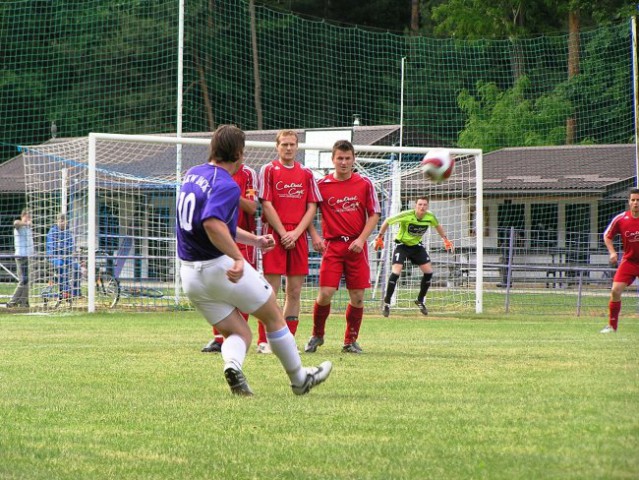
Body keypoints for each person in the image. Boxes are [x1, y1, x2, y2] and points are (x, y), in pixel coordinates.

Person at [176, 124, 332, 396]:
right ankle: (299, 379)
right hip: (217, 267)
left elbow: (217, 224)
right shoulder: (226, 183)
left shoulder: (193, 174)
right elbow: (213, 224)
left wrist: (256, 241)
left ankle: (232, 365)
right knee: (272, 312)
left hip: (190, 276)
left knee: (239, 333)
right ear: (238, 153)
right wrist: (237, 257)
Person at [305, 140, 381, 354]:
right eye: (340, 158)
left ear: (354, 159)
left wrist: (361, 239)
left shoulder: (364, 184)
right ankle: (317, 335)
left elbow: (375, 214)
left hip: (357, 247)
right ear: (333, 159)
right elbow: (308, 212)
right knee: (326, 293)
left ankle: (350, 341)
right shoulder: (321, 186)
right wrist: (314, 236)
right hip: (333, 246)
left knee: (357, 296)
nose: (344, 162)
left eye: (348, 158)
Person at [258, 130, 322, 340]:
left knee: (294, 292)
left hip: (298, 235)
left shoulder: (306, 173)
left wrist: (295, 233)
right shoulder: (268, 170)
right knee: (270, 292)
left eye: (292, 144)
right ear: (277, 146)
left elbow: (312, 206)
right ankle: (264, 340)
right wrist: (284, 233)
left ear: (297, 146)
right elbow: (266, 204)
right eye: (284, 144)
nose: (288, 148)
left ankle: (287, 340)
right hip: (274, 235)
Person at [201, 163, 271, 353]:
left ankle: (239, 336)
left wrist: (229, 194)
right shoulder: (211, 173)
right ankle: (219, 338)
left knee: (242, 287)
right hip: (218, 236)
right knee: (218, 286)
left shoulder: (248, 173)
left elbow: (250, 206)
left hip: (243, 239)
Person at [374, 196, 453, 317]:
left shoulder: (430, 216)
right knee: (396, 272)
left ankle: (420, 300)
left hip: (416, 247)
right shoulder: (406, 215)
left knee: (429, 272)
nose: (422, 207)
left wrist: (445, 240)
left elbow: (438, 226)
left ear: (427, 206)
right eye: (420, 204)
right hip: (402, 245)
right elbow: (387, 221)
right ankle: (387, 302)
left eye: (424, 205)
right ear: (415, 206)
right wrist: (380, 237)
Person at [600, 187, 639, 333]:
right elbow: (607, 236)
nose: (636, 203)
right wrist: (612, 252)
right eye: (633, 200)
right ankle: (612, 325)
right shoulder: (621, 219)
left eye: (638, 200)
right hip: (629, 261)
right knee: (615, 291)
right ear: (629, 202)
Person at [46, 213, 81, 298]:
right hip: (54, 257)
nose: (62, 223)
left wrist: (73, 252)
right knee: (61, 266)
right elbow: (52, 248)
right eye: (60, 221)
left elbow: (71, 247)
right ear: (57, 221)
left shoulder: (68, 233)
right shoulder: (52, 231)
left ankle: (75, 291)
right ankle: (65, 290)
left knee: (77, 267)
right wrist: (62, 251)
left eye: (64, 221)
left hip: (66, 257)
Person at [7, 208, 34, 308]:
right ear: (23, 216)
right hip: (21, 256)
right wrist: (26, 223)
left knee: (29, 280)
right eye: (27, 216)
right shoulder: (20, 226)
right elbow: (16, 223)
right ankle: (12, 301)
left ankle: (23, 302)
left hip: (29, 257)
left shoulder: (28, 228)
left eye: (30, 217)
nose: (29, 218)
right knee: (23, 280)